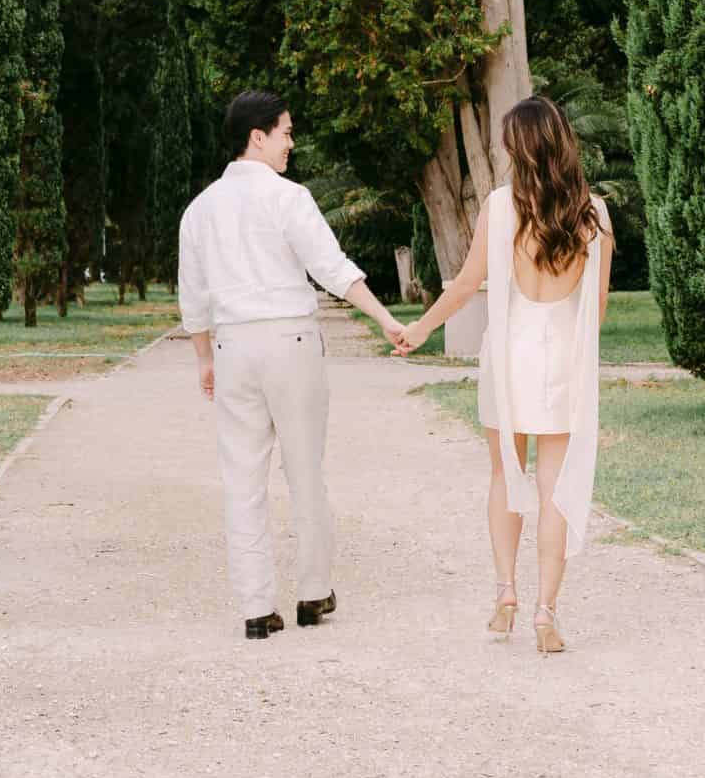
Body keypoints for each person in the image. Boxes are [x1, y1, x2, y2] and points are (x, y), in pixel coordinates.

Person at [178, 91, 405, 639]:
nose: (291, 143)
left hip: (233, 347)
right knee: (304, 470)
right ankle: (311, 592)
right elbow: (331, 267)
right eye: (285, 132)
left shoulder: (200, 209)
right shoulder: (289, 197)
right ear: (257, 136)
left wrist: (205, 359)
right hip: (291, 340)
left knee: (242, 480)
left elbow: (194, 298)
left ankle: (257, 609)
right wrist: (384, 319)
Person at [396, 97, 611, 655]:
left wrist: (421, 327)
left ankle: (506, 593)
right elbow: (597, 312)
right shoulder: (595, 215)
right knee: (554, 489)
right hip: (563, 363)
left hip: (511, 360)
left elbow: (466, 284)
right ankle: (546, 611)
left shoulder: (501, 206)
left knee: (504, 478)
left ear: (517, 147)